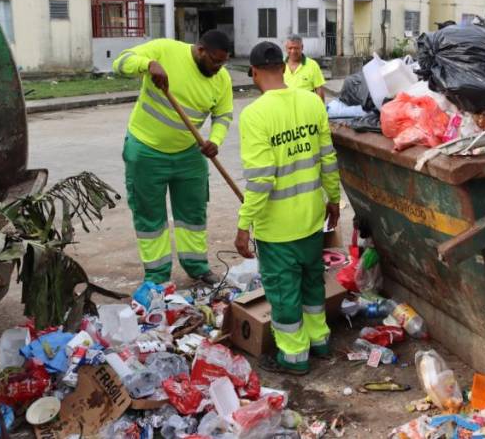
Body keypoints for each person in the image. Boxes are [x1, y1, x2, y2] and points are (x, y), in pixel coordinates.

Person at [235, 41, 341, 375]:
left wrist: (243, 223)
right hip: (311, 219)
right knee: (312, 284)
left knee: (283, 295)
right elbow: (328, 158)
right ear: (283, 66)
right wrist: (334, 200)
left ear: (254, 72)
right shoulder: (312, 102)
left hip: (277, 229)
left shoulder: (254, 115)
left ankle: (293, 357)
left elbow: (262, 178)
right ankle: (320, 340)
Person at [113, 30, 234, 285]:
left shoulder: (221, 79)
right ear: (200, 50)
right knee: (150, 216)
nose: (218, 68)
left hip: (189, 153)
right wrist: (148, 64)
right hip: (146, 150)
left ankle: (197, 266)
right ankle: (157, 275)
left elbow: (223, 115)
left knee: (193, 213)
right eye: (215, 61)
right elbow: (120, 63)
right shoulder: (165, 50)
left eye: (223, 62)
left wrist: (216, 140)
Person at [283, 34, 327, 101]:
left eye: (296, 48)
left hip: (306, 108)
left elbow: (319, 89)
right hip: (285, 106)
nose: (293, 51)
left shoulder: (312, 65)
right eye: (290, 48)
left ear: (302, 47)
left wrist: (321, 108)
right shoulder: (280, 65)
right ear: (286, 48)